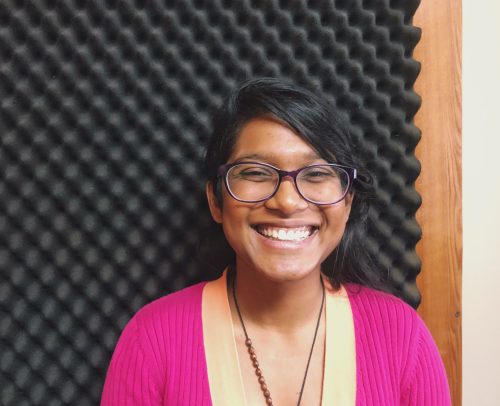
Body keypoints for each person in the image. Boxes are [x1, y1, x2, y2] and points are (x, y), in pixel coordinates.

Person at [100, 78, 451, 405]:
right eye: (255, 172)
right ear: (215, 201)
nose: (286, 201)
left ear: (347, 202)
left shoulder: (404, 339)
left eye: (316, 174)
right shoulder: (151, 341)